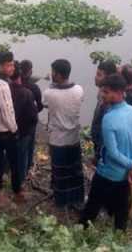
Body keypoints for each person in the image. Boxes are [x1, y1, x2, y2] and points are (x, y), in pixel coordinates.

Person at [80, 74, 132, 230]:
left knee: (92, 207)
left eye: (106, 92)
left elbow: (112, 153)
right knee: (121, 210)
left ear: (119, 93)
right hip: (126, 174)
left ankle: (81, 233)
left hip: (108, 173)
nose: (103, 95)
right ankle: (119, 238)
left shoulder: (109, 118)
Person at [43, 59, 85, 208]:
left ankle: (61, 200)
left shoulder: (49, 93)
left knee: (59, 171)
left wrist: (51, 84)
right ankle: (77, 198)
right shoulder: (79, 89)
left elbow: (46, 103)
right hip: (73, 138)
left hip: (57, 140)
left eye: (53, 72)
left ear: (59, 75)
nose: (51, 74)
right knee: (75, 170)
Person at [0, 51, 21, 201]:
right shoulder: (2, 86)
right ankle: (16, 189)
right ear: (1, 66)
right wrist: (14, 129)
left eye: (12, 64)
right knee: (14, 160)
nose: (12, 67)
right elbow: (7, 111)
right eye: (9, 65)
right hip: (5, 130)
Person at [10, 61, 39, 196]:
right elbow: (37, 110)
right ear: (30, 71)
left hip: (10, 128)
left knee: (13, 152)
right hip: (26, 128)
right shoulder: (31, 89)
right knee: (25, 153)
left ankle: (10, 172)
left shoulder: (6, 87)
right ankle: (22, 179)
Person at [90, 60, 118, 164]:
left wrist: (99, 153)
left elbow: (105, 130)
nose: (95, 77)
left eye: (99, 75)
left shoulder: (109, 102)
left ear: (108, 78)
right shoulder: (101, 92)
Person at [19, 60, 43, 173]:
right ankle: (28, 166)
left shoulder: (12, 84)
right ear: (30, 71)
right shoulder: (34, 88)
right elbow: (40, 106)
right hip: (29, 122)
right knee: (29, 144)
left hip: (15, 120)